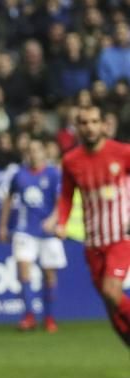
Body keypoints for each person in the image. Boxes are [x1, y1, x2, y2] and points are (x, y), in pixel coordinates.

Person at [56, 105, 130, 347]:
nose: (90, 127)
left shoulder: (122, 152)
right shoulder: (71, 160)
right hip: (94, 243)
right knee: (112, 310)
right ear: (77, 128)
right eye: (84, 123)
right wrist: (61, 222)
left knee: (112, 291)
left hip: (121, 236)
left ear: (103, 125)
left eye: (94, 122)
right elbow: (67, 196)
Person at [0, 139, 65, 332]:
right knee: (24, 272)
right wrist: (2, 226)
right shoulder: (19, 175)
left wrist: (54, 220)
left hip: (48, 231)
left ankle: (49, 317)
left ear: (44, 152)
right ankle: (29, 316)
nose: (33, 153)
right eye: (30, 150)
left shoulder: (53, 173)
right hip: (24, 230)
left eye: (37, 149)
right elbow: (8, 200)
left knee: (49, 275)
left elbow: (62, 201)